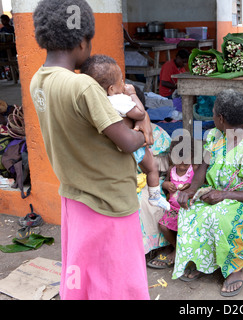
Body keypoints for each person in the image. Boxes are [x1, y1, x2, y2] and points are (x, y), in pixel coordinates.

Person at [30, 0, 151, 300]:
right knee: (117, 281)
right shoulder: (82, 86)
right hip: (108, 201)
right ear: (82, 41)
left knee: (83, 277)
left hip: (74, 197)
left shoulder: (38, 81)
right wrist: (142, 132)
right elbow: (125, 141)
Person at [174, 89, 243, 297]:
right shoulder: (214, 136)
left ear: (220, 118)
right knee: (190, 211)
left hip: (240, 201)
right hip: (213, 195)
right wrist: (192, 189)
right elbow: (203, 167)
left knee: (221, 217)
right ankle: (204, 261)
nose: (212, 117)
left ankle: (235, 268)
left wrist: (223, 195)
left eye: (213, 113)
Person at [80, 54, 170, 211]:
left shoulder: (93, 104)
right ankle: (155, 196)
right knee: (152, 169)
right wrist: (133, 94)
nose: (124, 84)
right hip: (135, 147)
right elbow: (140, 114)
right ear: (112, 89)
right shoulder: (118, 100)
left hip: (115, 155)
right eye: (121, 80)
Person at [147, 138, 197, 268]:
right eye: (178, 162)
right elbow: (164, 183)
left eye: (185, 164)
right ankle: (177, 248)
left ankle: (178, 251)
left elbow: (199, 185)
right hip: (172, 207)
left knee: (184, 228)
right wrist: (166, 184)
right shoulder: (171, 170)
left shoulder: (194, 169)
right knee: (163, 226)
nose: (181, 166)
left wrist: (190, 186)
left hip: (186, 208)